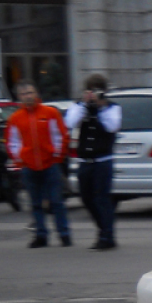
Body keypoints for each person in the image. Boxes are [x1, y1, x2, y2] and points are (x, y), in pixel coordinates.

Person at [5, 81, 70, 247]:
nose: (28, 96)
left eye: (30, 92)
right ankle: (41, 235)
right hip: (29, 167)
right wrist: (20, 160)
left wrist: (57, 156)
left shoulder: (50, 112)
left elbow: (60, 136)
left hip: (50, 165)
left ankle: (64, 234)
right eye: (24, 94)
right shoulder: (15, 118)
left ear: (36, 93)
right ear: (19, 97)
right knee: (35, 204)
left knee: (57, 202)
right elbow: (12, 142)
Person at [63, 74, 121, 249]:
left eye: (97, 91)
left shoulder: (112, 108)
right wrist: (83, 104)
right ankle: (104, 229)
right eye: (90, 90)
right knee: (87, 198)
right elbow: (70, 122)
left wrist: (101, 108)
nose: (94, 94)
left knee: (101, 199)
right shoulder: (79, 107)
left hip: (103, 160)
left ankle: (107, 236)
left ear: (104, 92)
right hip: (85, 161)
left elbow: (113, 126)